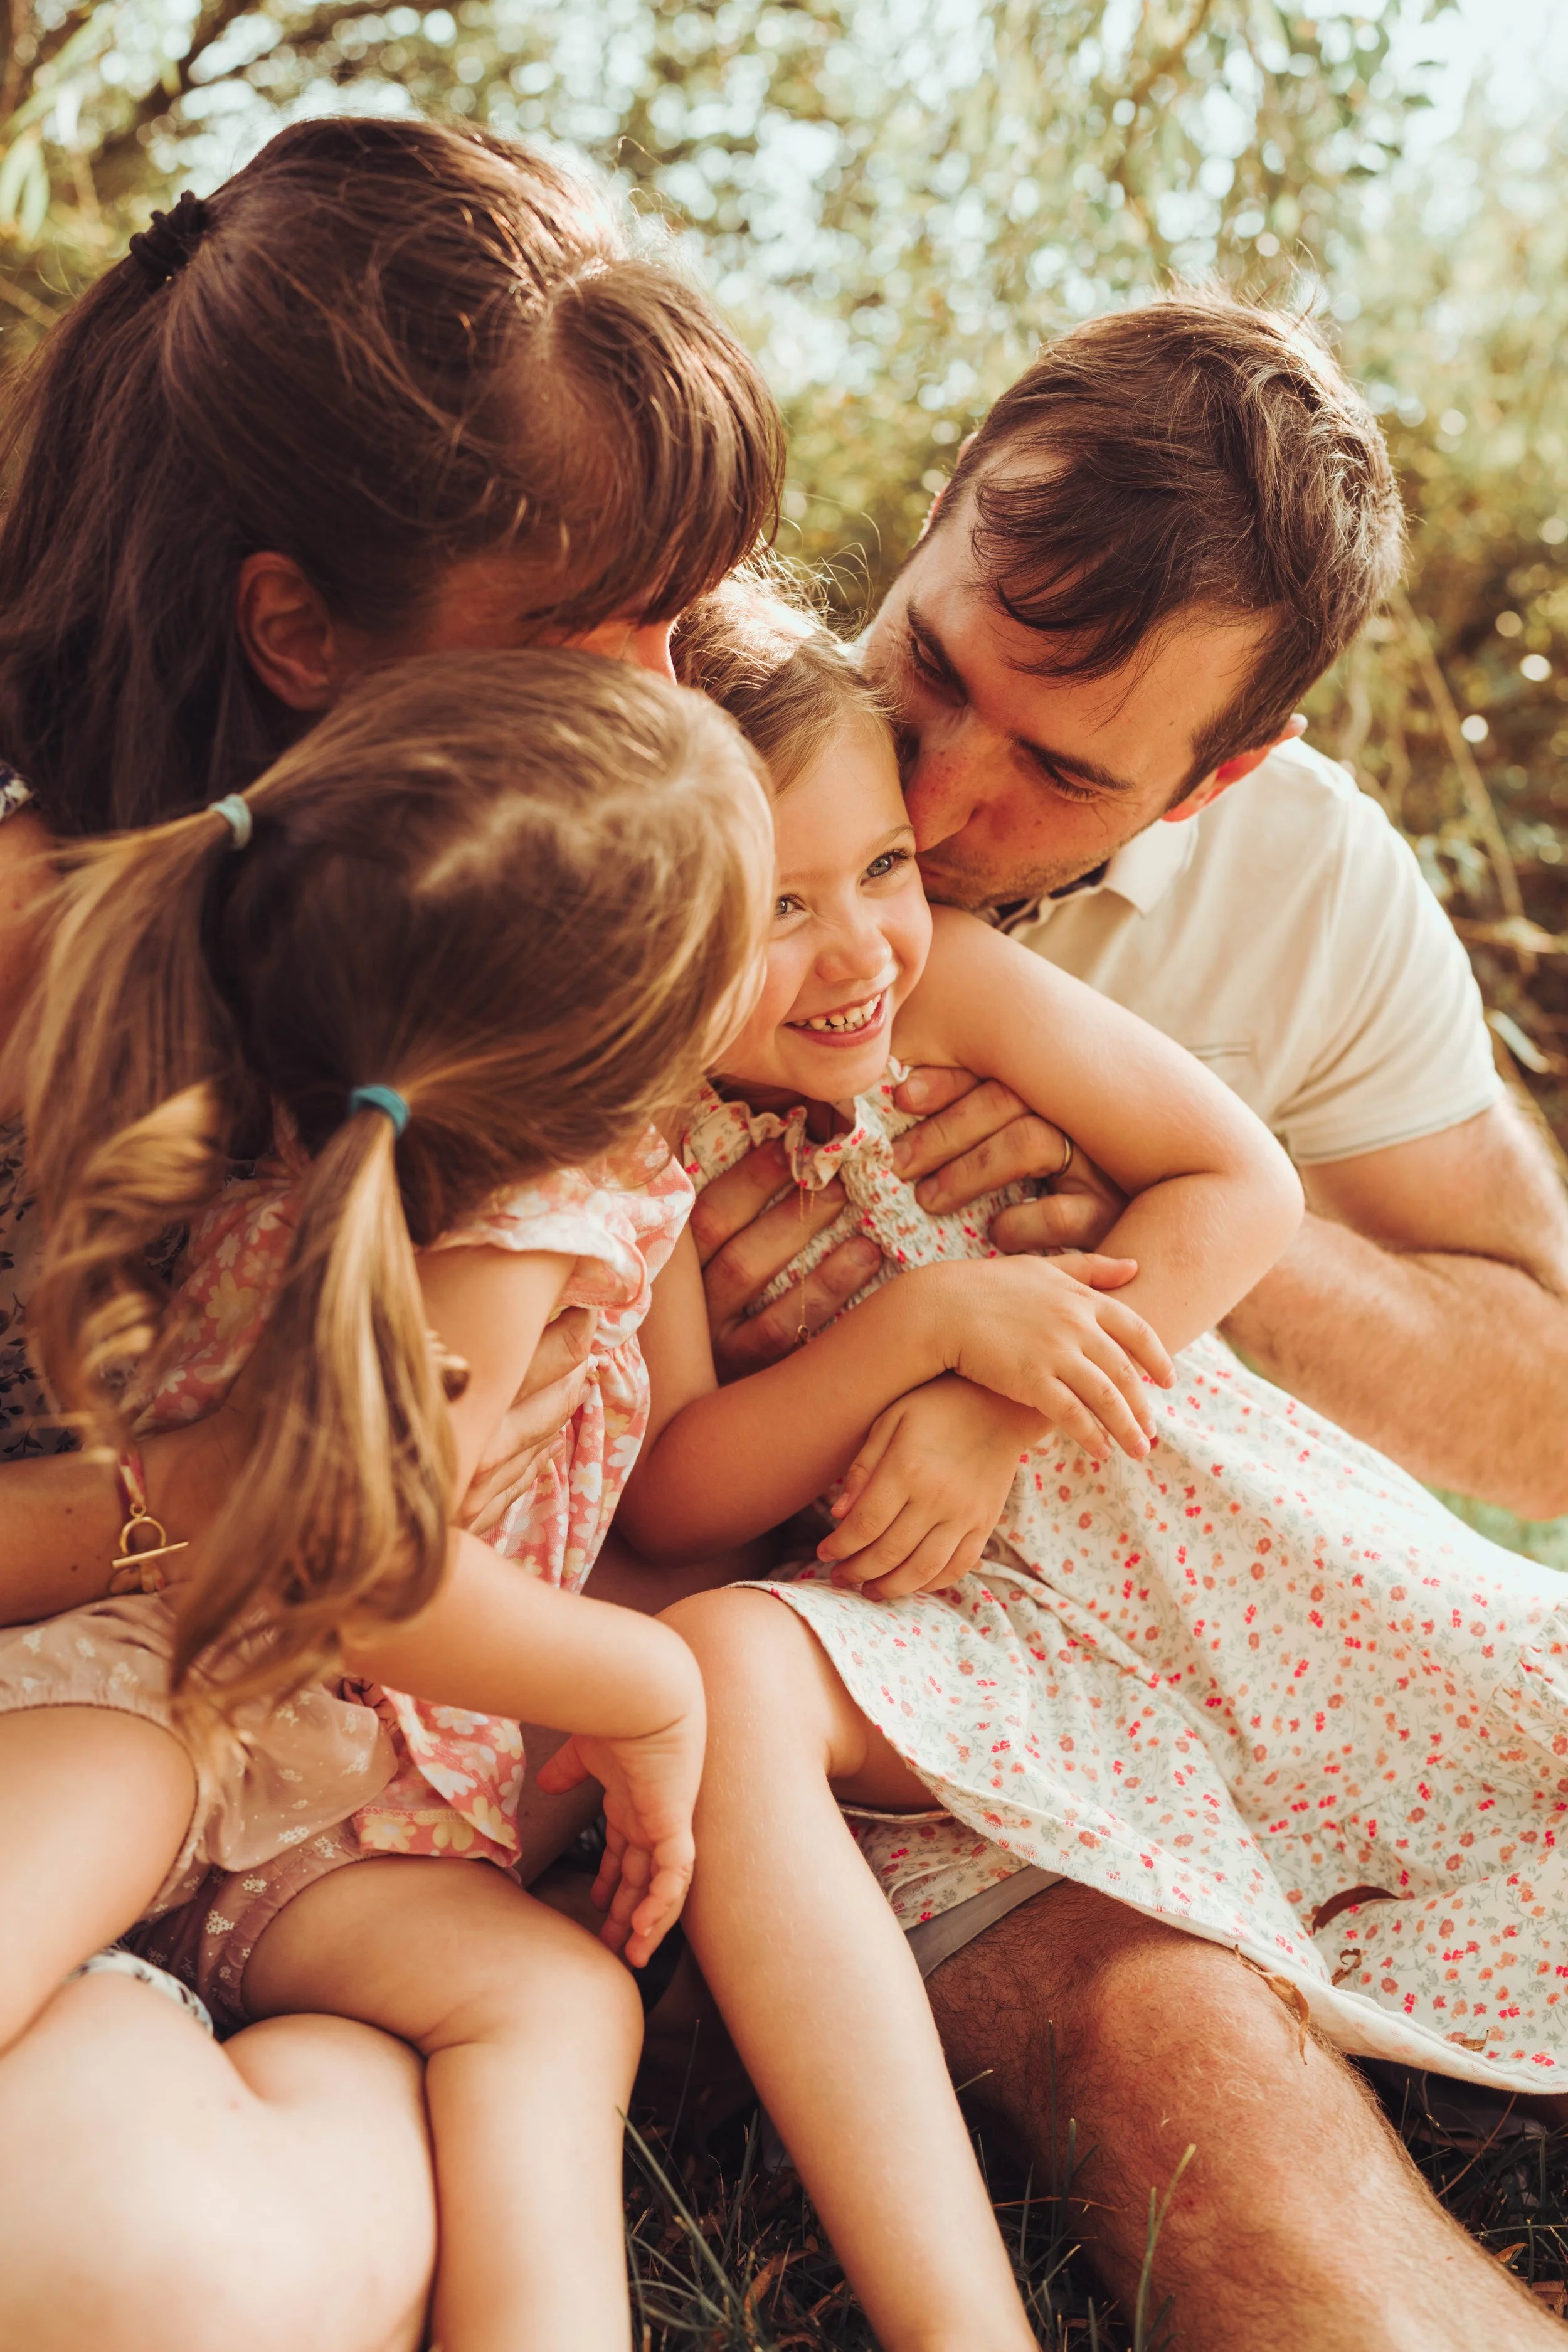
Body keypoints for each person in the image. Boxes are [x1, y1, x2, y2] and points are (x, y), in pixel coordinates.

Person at [682, 311, 1568, 2350]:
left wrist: (1106, 1263)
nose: (939, 791)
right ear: (910, 538)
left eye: (1063, 767)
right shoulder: (708, 755)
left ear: (1218, 775)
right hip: (917, 1691)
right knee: (1168, 2037)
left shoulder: (1306, 883)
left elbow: (1541, 1396)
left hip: (1227, 1569)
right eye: (931, 673)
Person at [0, 113, 782, 2352]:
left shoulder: (501, 953)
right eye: (592, 625)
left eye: (685, 617)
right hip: (101, 1728)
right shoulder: (58, 929)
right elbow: (297, 1529)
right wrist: (185, 1517)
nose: (666, 696)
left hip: (268, 1841)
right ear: (296, 628)